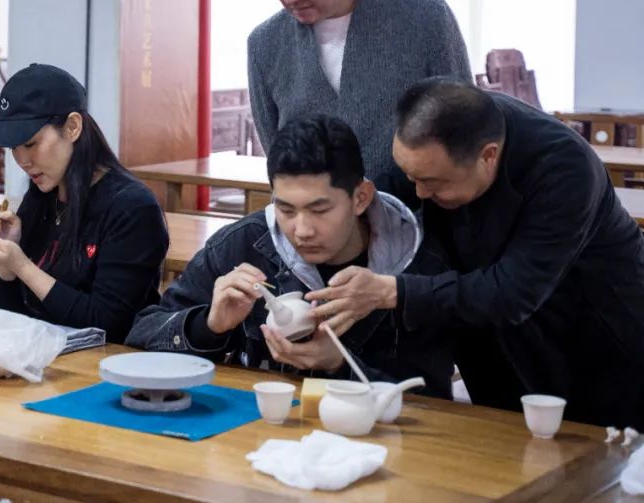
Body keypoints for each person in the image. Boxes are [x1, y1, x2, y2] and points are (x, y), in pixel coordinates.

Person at [305, 80, 644, 427]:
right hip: (491, 333)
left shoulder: (565, 168)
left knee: (599, 449)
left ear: (488, 156)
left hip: (593, 332)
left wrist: (391, 291)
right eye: (410, 175)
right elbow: (387, 205)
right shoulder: (438, 134)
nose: (418, 192)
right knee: (501, 440)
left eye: (432, 183)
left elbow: (513, 292)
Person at [126, 116, 451, 395]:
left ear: (361, 198)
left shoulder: (416, 263)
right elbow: (140, 337)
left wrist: (339, 365)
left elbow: (434, 399)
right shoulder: (244, 244)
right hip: (251, 434)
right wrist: (208, 325)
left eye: (319, 210)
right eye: (286, 209)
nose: (302, 230)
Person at [246, 0, 472, 189]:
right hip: (314, 216)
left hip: (419, 211)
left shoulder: (425, 17)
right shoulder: (265, 44)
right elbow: (277, 157)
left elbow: (464, 129)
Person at [0, 63, 168, 342]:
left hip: (106, 362)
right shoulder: (41, 198)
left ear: (72, 127)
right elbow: (10, 318)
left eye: (30, 143)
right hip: (43, 355)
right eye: (13, 148)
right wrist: (6, 262)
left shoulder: (132, 207)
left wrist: (23, 266)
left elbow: (108, 324)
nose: (22, 160)